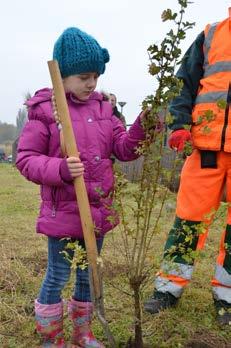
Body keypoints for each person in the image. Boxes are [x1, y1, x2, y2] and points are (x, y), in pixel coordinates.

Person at [16, 27, 149, 347]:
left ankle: (83, 333)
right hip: (63, 211)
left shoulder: (104, 108)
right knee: (58, 276)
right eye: (84, 77)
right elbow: (26, 158)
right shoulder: (45, 111)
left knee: (90, 276)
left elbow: (123, 149)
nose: (91, 84)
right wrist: (60, 168)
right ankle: (51, 337)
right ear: (62, 77)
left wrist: (144, 126)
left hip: (97, 211)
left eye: (96, 77)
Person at [144, 9, 231, 325]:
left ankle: (227, 300)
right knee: (187, 223)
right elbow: (184, 83)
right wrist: (179, 123)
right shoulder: (211, 34)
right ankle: (167, 290)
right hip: (204, 149)